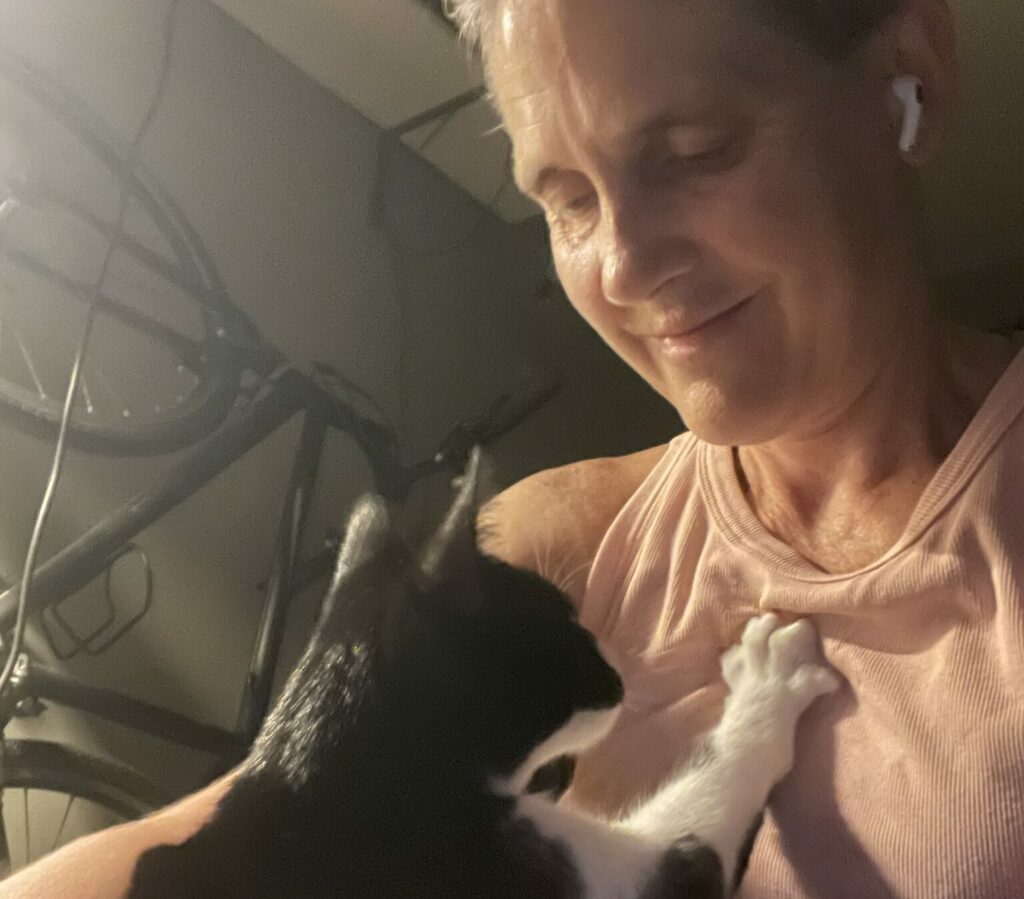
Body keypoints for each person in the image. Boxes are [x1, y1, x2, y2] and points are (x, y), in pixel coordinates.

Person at [2, 0, 1021, 896]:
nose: (621, 264)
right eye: (568, 199)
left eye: (693, 150)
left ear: (912, 69)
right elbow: (238, 829)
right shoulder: (559, 536)